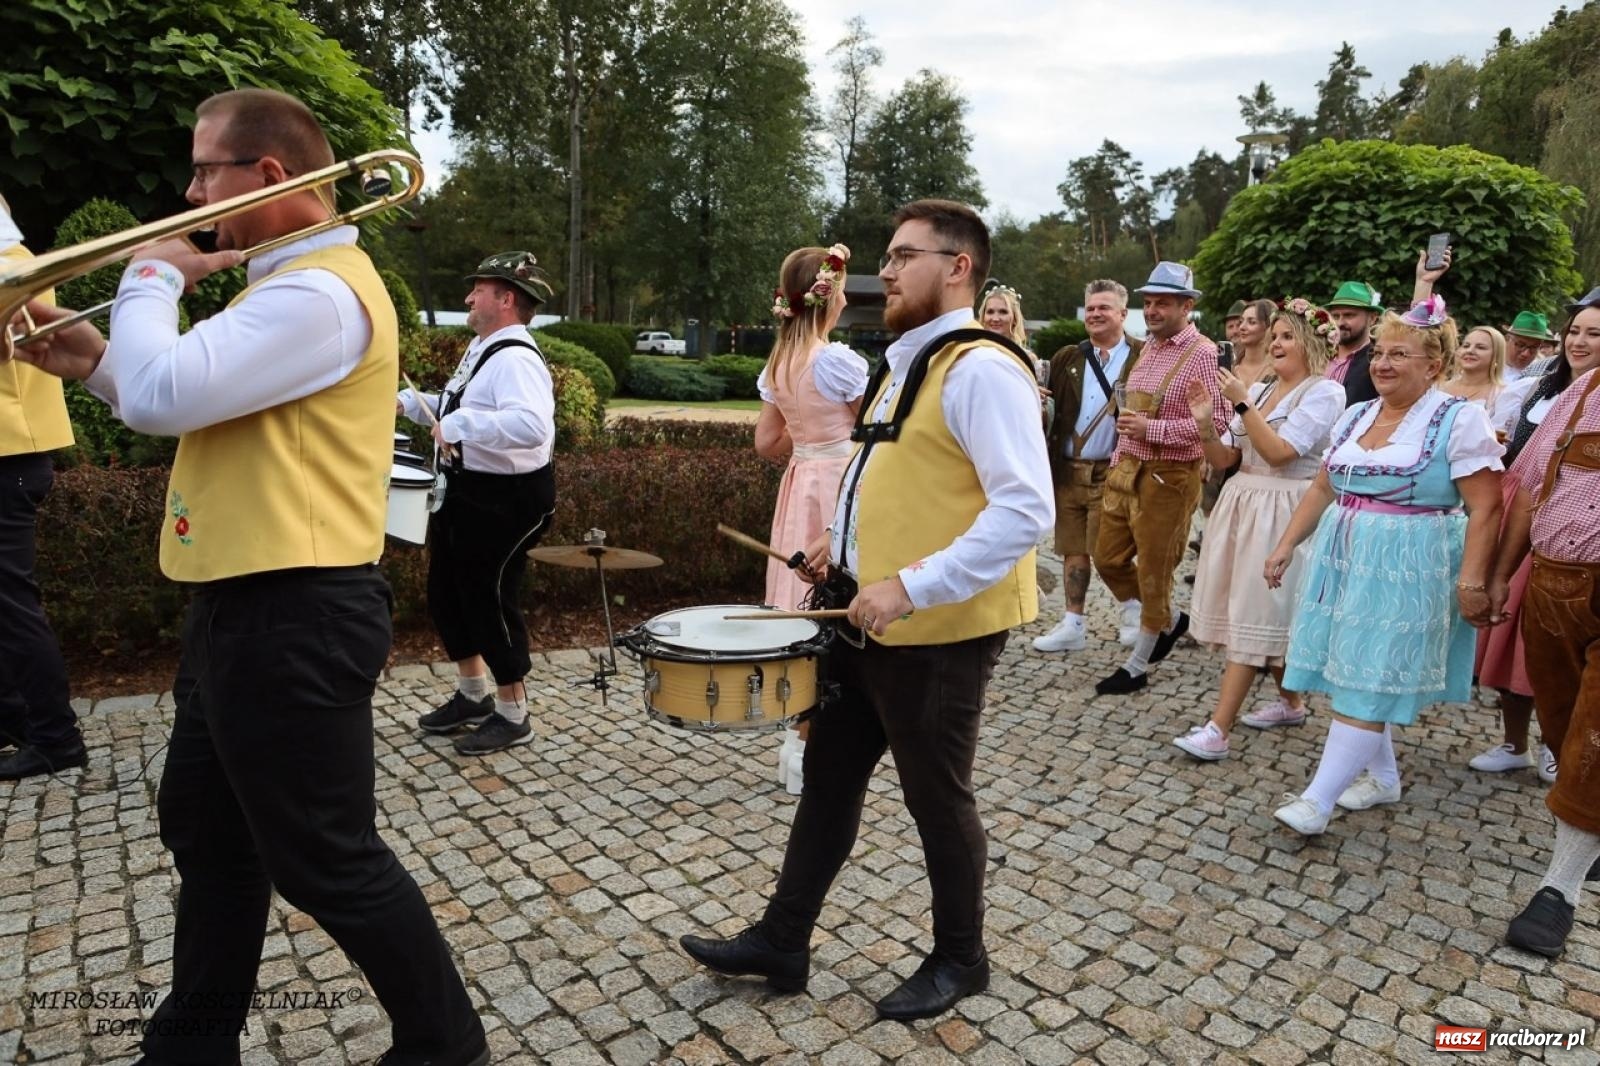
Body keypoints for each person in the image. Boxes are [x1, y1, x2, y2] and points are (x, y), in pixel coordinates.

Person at [14, 89, 487, 1065]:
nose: (188, 193)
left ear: (270, 176)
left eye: (202, 171)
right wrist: (93, 356)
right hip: (248, 606)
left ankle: (447, 1047)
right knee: (209, 834)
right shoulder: (284, 290)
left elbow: (162, 394)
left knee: (327, 859)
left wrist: (148, 279)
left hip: (295, 612)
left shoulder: (318, 293)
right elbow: (188, 399)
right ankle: (191, 1045)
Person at [677, 199, 1053, 1022]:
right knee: (828, 775)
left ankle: (963, 958)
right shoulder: (900, 363)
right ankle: (783, 940)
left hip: (939, 632)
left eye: (905, 255)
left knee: (937, 797)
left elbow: (1025, 512)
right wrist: (837, 554)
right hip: (862, 617)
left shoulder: (983, 367)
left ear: (958, 267)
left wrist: (910, 585)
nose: (886, 269)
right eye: (887, 254)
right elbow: (877, 468)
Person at [1266, 296, 1503, 835]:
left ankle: (1317, 800)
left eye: (1401, 354)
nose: (1383, 364)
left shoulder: (1460, 420)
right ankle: (1383, 776)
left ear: (1433, 366)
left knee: (1373, 670)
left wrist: (1472, 579)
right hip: (1344, 553)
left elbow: (1487, 505)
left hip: (1411, 562)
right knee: (1358, 665)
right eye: (1380, 352)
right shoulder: (1356, 414)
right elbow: (1324, 485)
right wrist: (1285, 544)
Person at [1174, 300, 1346, 760]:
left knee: (1258, 610)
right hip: (1242, 503)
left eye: (1287, 336)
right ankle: (1290, 702)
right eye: (1275, 337)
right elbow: (1226, 459)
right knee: (1258, 611)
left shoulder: (1324, 393)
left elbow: (1281, 453)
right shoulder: (1266, 388)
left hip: (1284, 505)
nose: (1276, 343)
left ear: (1312, 343)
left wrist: (1242, 402)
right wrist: (1206, 423)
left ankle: (1218, 729)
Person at [401, 251, 558, 756]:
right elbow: (457, 407)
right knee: (447, 593)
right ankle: (473, 695)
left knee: (489, 597)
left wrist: (462, 426)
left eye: (479, 290)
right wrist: (406, 403)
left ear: (506, 298)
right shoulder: (484, 347)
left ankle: (515, 713)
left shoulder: (515, 358)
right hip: (468, 492)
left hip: (507, 501)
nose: (469, 297)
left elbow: (532, 427)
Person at [1490, 347, 1600, 958]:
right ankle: (1592, 835)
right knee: (1560, 726)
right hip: (1557, 585)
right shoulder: (1580, 393)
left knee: (1594, 737)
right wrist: (1500, 575)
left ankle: (1559, 891)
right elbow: (1529, 489)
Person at [1473, 298, 1600, 782]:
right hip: (1550, 558)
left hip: (1575, 565)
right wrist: (1499, 572)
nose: (1579, 342)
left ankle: (1564, 755)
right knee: (1522, 652)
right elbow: (1528, 483)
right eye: (1576, 331)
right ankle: (1527, 742)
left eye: (1594, 333)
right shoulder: (1566, 391)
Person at [755, 243, 867, 790]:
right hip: (839, 488)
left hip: (800, 485)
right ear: (829, 296)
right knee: (838, 604)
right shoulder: (836, 360)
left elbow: (765, 441)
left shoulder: (778, 363)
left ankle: (795, 742)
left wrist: (805, 442)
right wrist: (832, 444)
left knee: (803, 607)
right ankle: (811, 738)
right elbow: (872, 437)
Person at [1091, 262, 1227, 695]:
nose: (1151, 310)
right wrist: (1119, 456)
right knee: (1107, 558)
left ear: (1186, 306)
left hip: (1170, 476)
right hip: (1128, 469)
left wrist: (1154, 431)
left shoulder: (1202, 352)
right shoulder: (1148, 347)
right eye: (1148, 303)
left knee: (1154, 570)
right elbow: (1129, 412)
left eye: (1161, 303)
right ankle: (1168, 619)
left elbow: (1218, 422)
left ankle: (1138, 664)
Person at [0, 196, 86, 782]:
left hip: (11, 451)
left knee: (10, 605)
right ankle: (16, 721)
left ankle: (56, 737)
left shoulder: (14, 264)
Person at [1034, 280, 1144, 653]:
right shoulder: (1068, 357)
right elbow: (1051, 408)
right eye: (1091, 308)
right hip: (1068, 469)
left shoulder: (1142, 357)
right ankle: (1073, 623)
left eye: (1105, 308)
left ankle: (1133, 611)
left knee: (1109, 551)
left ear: (1123, 314)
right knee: (1072, 549)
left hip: (1114, 472)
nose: (1096, 314)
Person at [1323, 280, 1383, 405]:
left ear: (1372, 318)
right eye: (1335, 316)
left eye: (1349, 315)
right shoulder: (1320, 356)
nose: (1340, 323)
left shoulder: (1377, 359)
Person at [1441, 325, 1507, 411]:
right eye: (1466, 346)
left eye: (1480, 347)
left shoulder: (1501, 395)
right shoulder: (1441, 388)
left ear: (1496, 356)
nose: (1470, 351)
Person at [1230, 298, 1277, 389]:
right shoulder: (1232, 367)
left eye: (1252, 322)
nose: (1242, 327)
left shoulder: (1276, 370)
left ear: (1268, 327)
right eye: (1241, 322)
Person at [1504, 311, 1558, 382]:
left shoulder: (1542, 376)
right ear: (1507, 338)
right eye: (1521, 345)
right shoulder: (1489, 364)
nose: (1525, 353)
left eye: (1533, 347)